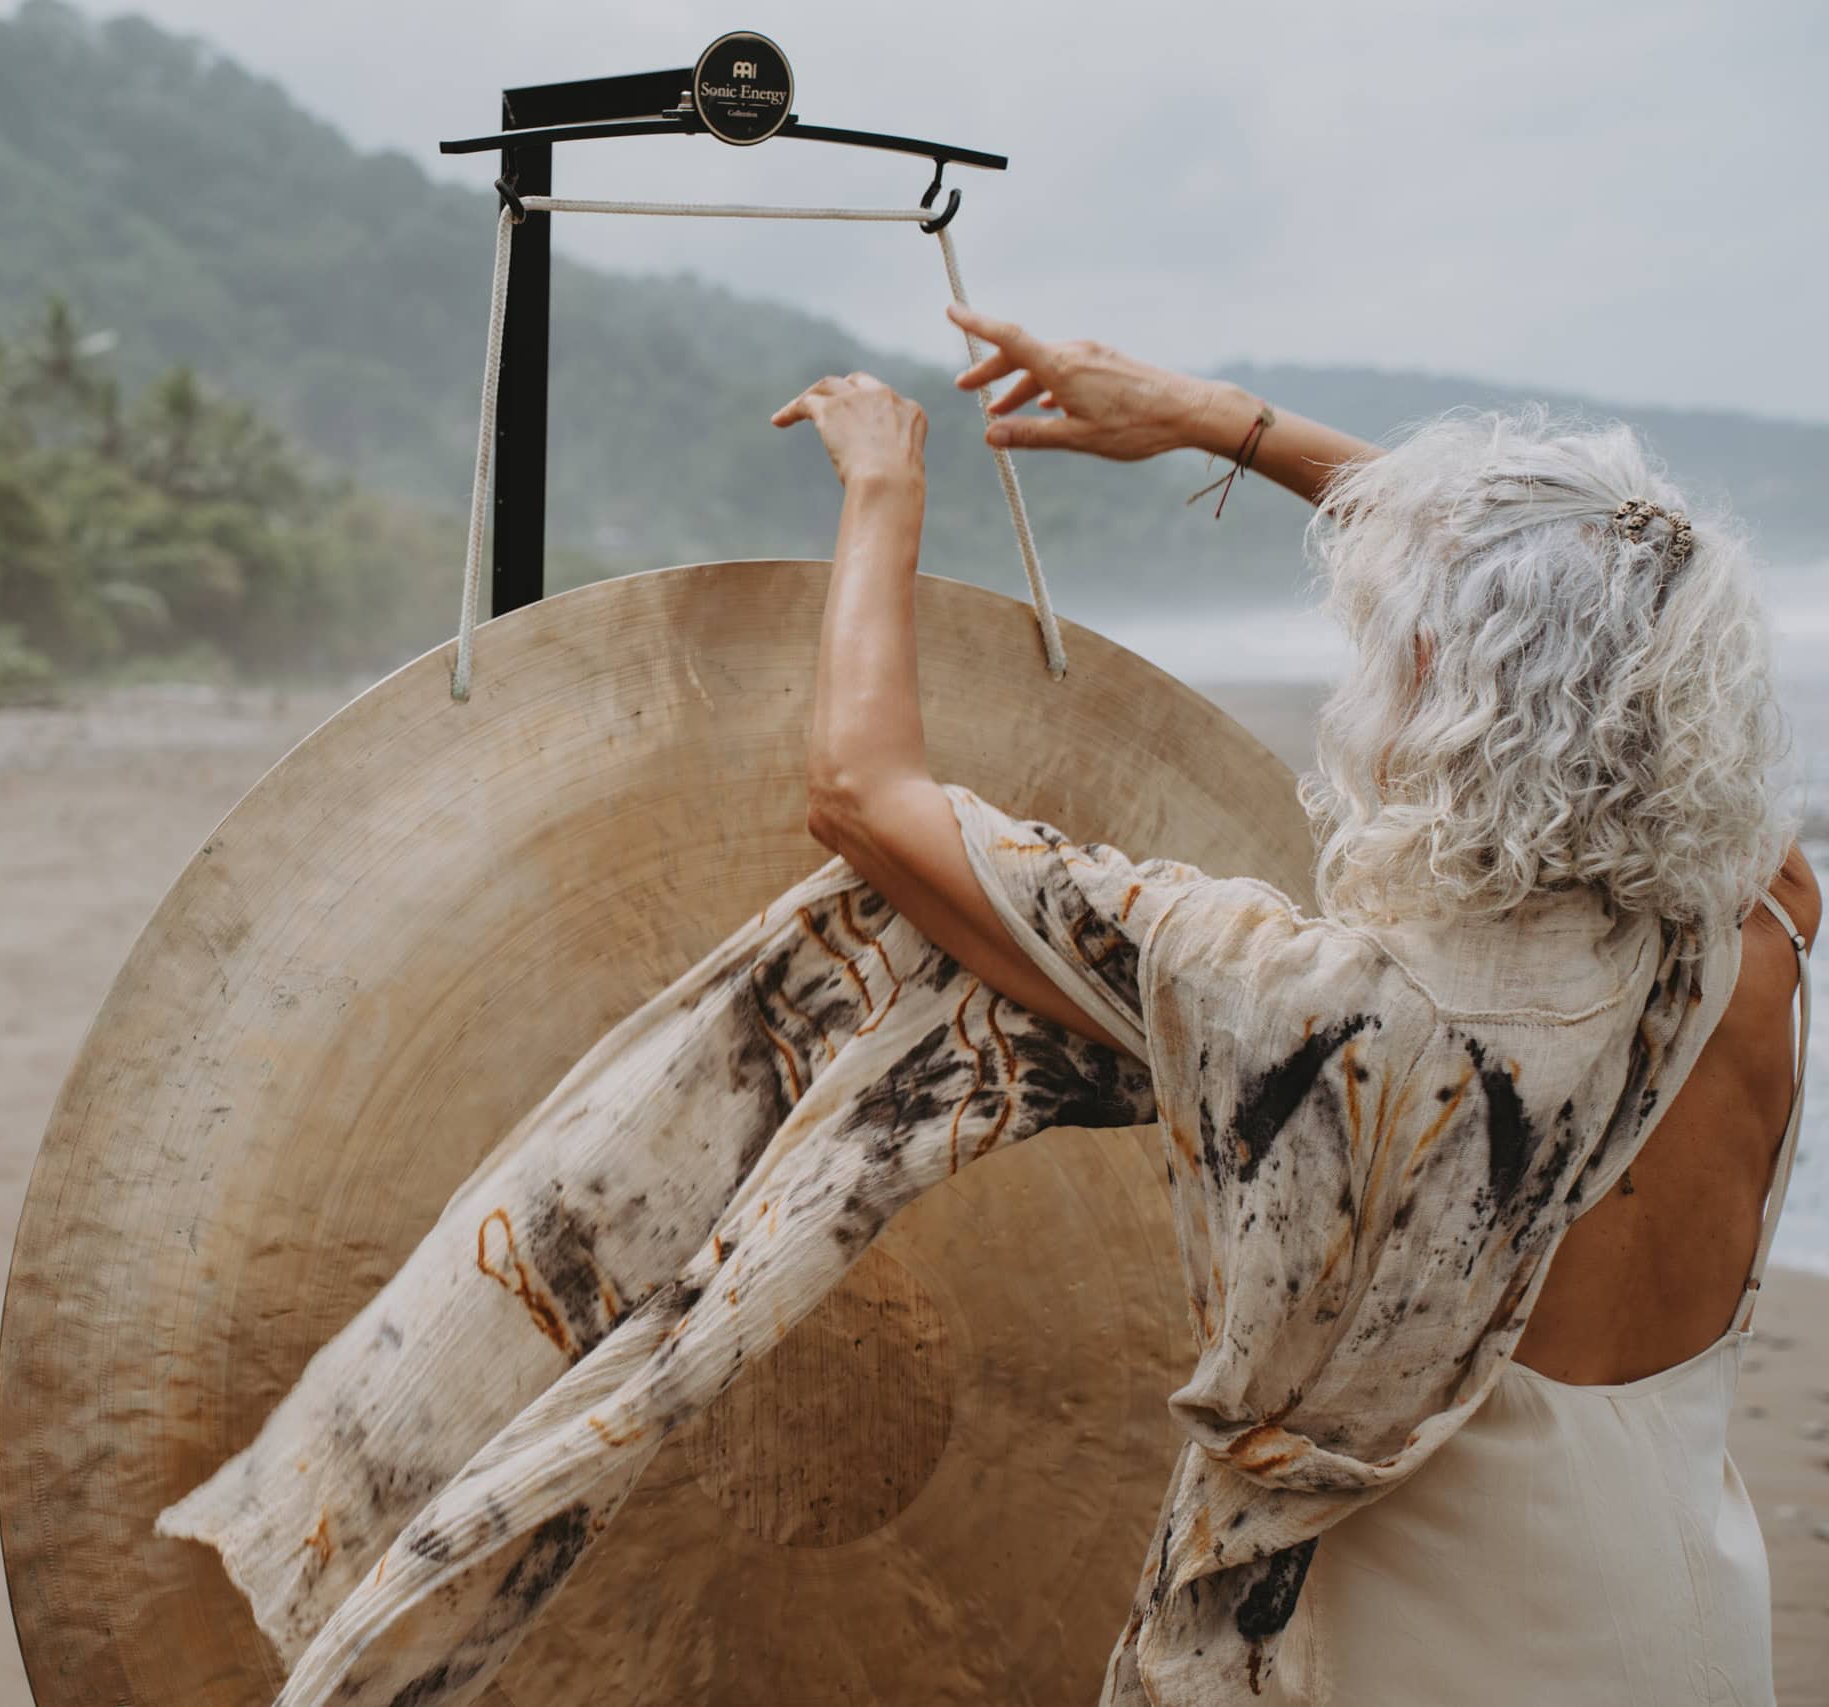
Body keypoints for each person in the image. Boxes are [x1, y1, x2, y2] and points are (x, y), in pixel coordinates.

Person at [772, 311, 1814, 1703]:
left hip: (1425, 1655)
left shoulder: (1309, 1005)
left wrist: (883, 487)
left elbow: (863, 791)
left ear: (1442, 687)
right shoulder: (1756, 932)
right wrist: (1220, 420)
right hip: (1691, 1622)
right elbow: (1598, 604)